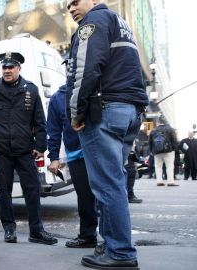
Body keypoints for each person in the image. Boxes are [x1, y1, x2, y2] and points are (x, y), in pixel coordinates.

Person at [66, 0, 148, 269]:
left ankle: (120, 252)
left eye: (75, 1)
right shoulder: (120, 23)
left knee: (107, 185)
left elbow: (86, 69)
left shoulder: (93, 23)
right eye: (67, 4)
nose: (71, 7)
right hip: (129, 111)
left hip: (105, 111)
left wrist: (75, 112)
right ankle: (110, 244)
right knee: (114, 182)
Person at [0, 51, 57, 246]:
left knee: (33, 189)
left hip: (24, 150)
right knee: (4, 190)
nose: (7, 70)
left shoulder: (31, 90)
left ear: (19, 68)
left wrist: (41, 146)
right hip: (1, 149)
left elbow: (40, 121)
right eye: (4, 67)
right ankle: (9, 229)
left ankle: (36, 231)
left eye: (11, 67)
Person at [47, 83, 98, 248]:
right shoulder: (57, 97)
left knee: (106, 195)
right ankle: (88, 236)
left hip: (99, 150)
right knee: (85, 198)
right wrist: (54, 157)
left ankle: (112, 238)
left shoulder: (96, 87)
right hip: (76, 154)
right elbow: (54, 130)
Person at [148, 116, 179, 187]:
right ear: (165, 121)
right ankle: (170, 181)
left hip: (156, 151)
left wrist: (151, 151)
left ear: (158, 122)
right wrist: (175, 149)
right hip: (168, 151)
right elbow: (174, 140)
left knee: (158, 166)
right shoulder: (170, 129)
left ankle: (159, 181)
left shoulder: (153, 130)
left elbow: (150, 141)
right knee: (169, 166)